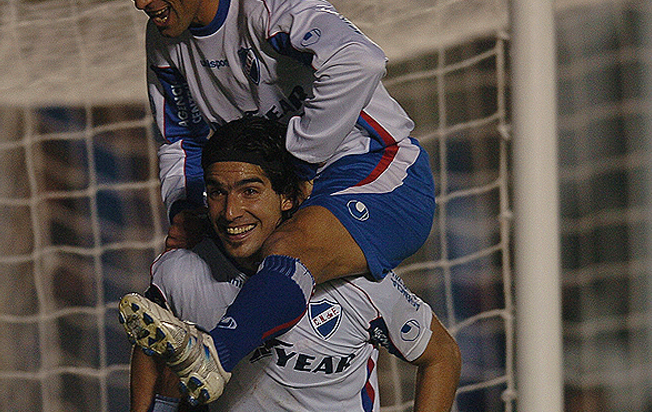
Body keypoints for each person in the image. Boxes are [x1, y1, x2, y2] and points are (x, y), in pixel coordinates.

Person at [97, 0, 436, 403]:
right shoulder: (164, 42)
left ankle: (216, 354)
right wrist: (187, 205)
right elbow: (181, 138)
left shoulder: (266, 3)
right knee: (182, 285)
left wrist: (300, 156)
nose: (140, 0)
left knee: (286, 249)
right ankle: (204, 357)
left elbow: (358, 61)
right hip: (285, 192)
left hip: (378, 167)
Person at [120, 116, 460, 412]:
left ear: (288, 197)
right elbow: (153, 348)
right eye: (218, 192)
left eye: (249, 191)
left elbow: (442, 355)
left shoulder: (357, 283)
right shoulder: (179, 272)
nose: (230, 212)